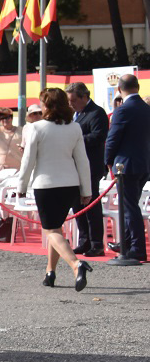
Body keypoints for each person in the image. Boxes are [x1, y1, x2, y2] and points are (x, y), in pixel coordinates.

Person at [18, 88, 94, 289]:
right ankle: (50, 272)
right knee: (56, 228)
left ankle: (76, 264)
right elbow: (82, 161)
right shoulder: (75, 127)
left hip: (46, 185)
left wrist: (21, 185)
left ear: (47, 106)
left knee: (50, 230)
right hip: (70, 185)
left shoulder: (36, 128)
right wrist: (86, 190)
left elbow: (28, 160)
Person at [103, 73, 150, 263]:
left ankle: (136, 248)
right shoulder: (147, 109)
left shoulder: (123, 110)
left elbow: (112, 139)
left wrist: (107, 160)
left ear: (119, 89)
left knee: (130, 208)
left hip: (126, 165)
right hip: (143, 163)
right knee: (132, 205)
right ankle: (128, 243)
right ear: (137, 87)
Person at [66, 82, 109, 258]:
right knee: (77, 206)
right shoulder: (75, 114)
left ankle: (97, 243)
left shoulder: (96, 113)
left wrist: (75, 139)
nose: (71, 104)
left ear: (85, 97)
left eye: (74, 100)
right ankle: (84, 240)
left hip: (91, 166)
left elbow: (98, 136)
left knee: (91, 205)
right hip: (74, 166)